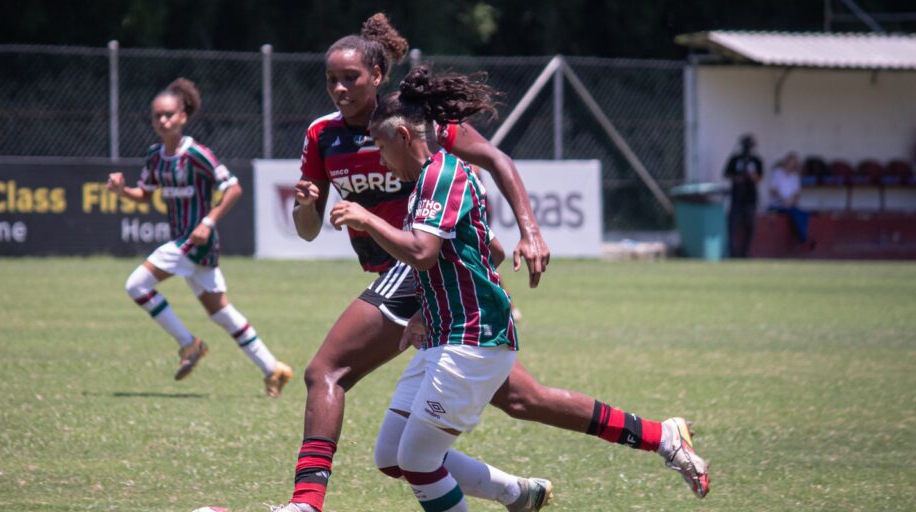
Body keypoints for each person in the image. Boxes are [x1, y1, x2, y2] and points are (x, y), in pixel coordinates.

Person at [271, 14, 708, 512]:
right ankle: (639, 444)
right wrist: (308, 205)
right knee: (523, 400)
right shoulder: (323, 136)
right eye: (331, 79)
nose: (339, 88)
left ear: (377, 76)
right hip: (427, 280)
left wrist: (531, 230)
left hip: (418, 267)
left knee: (326, 371)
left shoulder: (419, 127)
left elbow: (496, 163)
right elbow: (308, 229)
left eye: (350, 77)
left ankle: (306, 503)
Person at [329, 66, 537, 512]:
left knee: (419, 460)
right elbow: (483, 251)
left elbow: (422, 253)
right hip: (443, 335)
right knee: (392, 456)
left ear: (403, 135)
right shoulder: (427, 180)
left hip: (473, 338)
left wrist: (367, 218)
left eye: (382, 148)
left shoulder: (442, 176)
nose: (381, 160)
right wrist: (426, 309)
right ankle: (518, 494)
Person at [106, 78, 293, 397]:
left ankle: (188, 344)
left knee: (136, 285)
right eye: (157, 116)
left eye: (169, 114)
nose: (163, 121)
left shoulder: (197, 154)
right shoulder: (155, 156)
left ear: (183, 116)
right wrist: (122, 190)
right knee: (220, 312)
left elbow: (233, 188)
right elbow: (144, 196)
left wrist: (208, 220)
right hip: (186, 243)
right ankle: (273, 368)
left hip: (194, 242)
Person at [724, 134, 763, 258]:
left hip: (750, 198)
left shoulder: (756, 160)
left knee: (750, 225)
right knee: (733, 226)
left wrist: (751, 176)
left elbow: (759, 178)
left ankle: (745, 252)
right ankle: (732, 253)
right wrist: (738, 178)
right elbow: (726, 174)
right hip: (736, 197)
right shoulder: (735, 159)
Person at [767, 152, 812, 246]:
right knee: (795, 213)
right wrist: (784, 200)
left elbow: (796, 194)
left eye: (794, 164)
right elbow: (773, 190)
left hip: (790, 206)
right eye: (790, 163)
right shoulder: (777, 173)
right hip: (777, 205)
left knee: (803, 214)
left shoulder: (795, 177)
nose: (791, 166)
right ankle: (803, 238)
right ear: (786, 162)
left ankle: (803, 237)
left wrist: (791, 201)